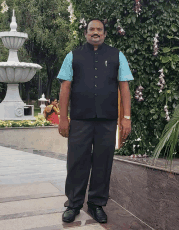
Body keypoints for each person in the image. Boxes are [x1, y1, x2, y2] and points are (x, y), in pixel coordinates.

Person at [57, 19, 134, 224]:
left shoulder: (117, 55)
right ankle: (73, 204)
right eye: (92, 29)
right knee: (76, 163)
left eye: (99, 29)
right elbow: (65, 88)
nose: (96, 32)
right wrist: (63, 118)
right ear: (86, 33)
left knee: (103, 163)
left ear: (105, 34)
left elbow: (124, 88)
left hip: (107, 122)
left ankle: (96, 204)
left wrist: (126, 118)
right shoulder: (72, 56)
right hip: (80, 121)